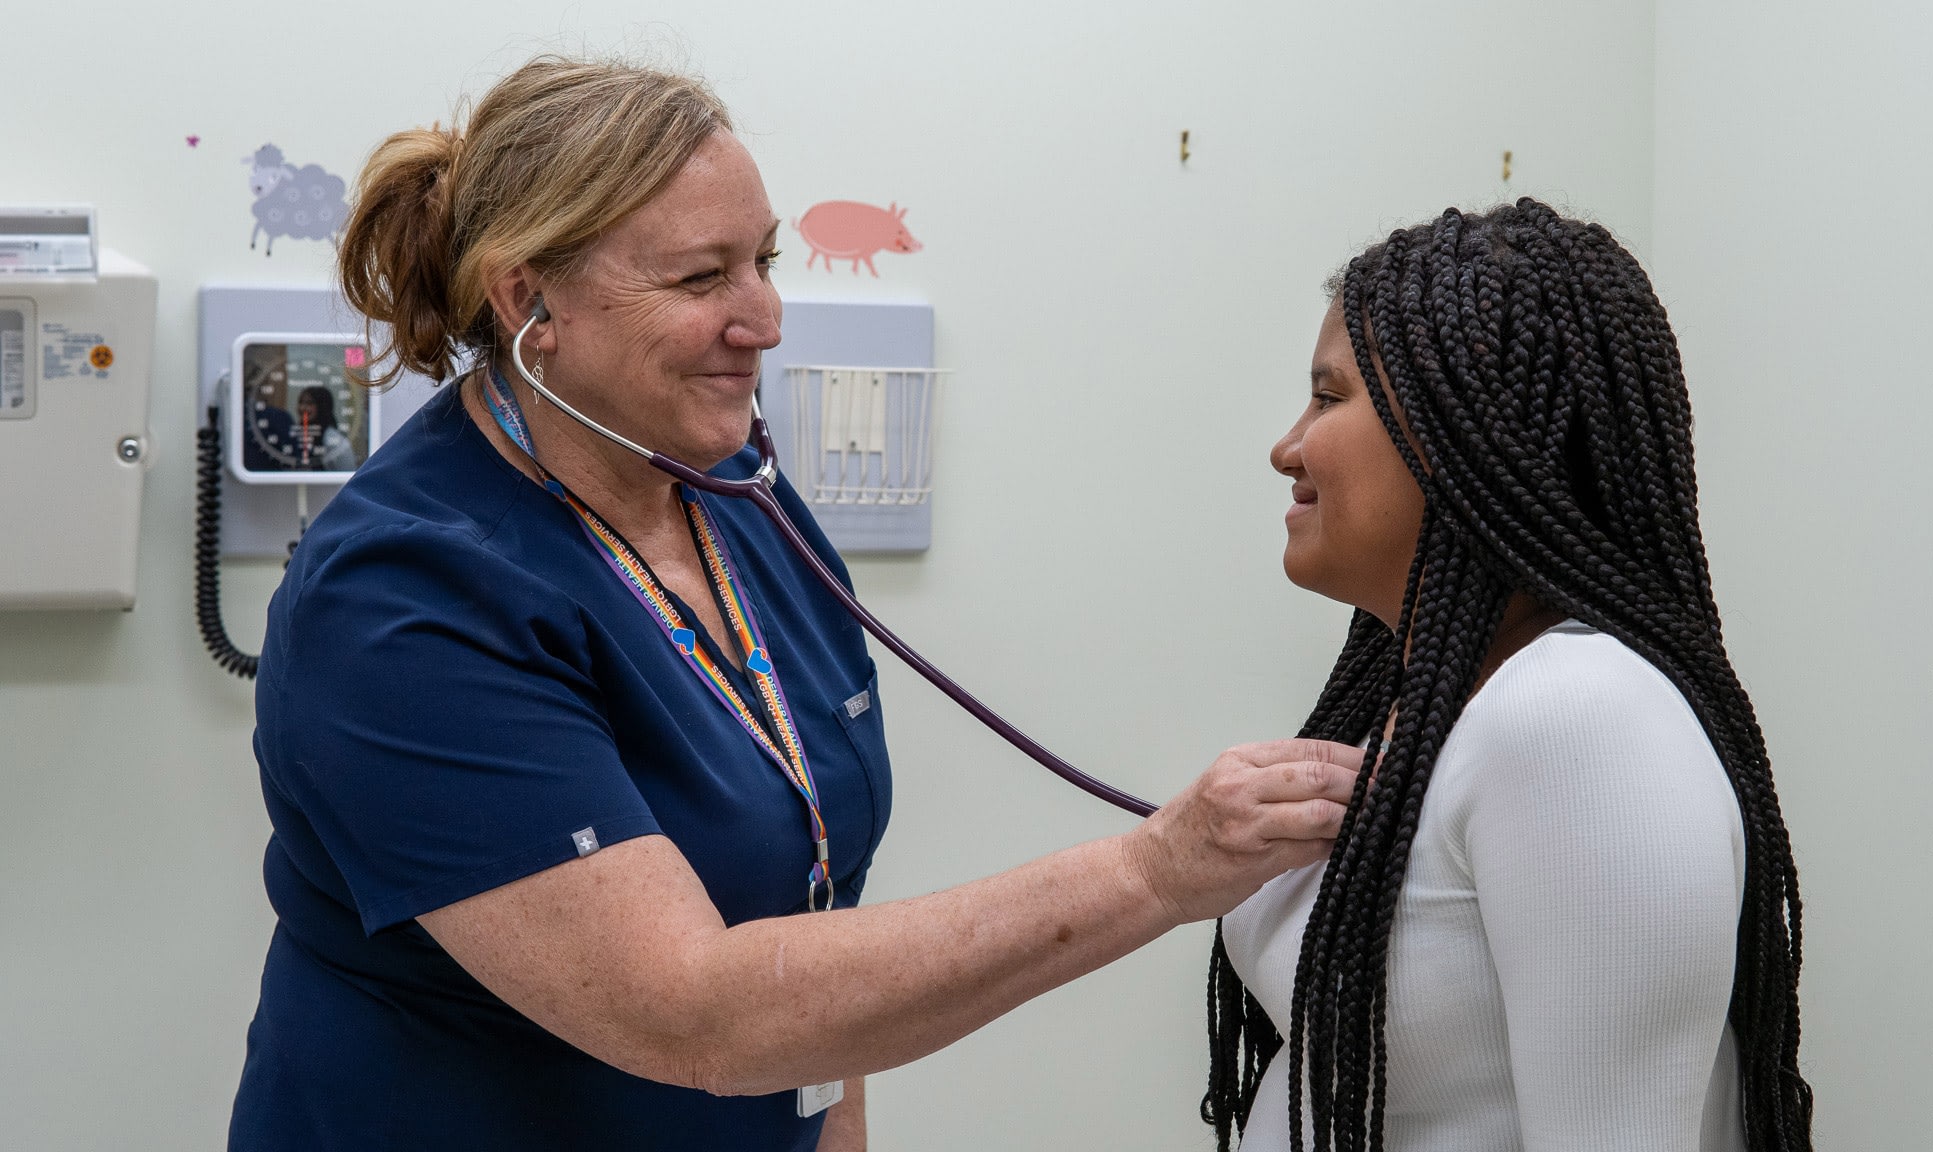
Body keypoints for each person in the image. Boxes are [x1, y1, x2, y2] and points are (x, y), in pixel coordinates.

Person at [225, 55, 1363, 1152]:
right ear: (529, 299)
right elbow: (691, 1010)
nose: (764, 319)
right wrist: (1150, 873)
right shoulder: (403, 600)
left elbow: (816, 901)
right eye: (700, 277)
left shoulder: (730, 502)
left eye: (762, 260)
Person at [1204, 202, 1814, 1152]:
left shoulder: (1575, 718)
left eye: (1328, 399)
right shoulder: (1420, 706)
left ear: (1462, 429)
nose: (1289, 448)